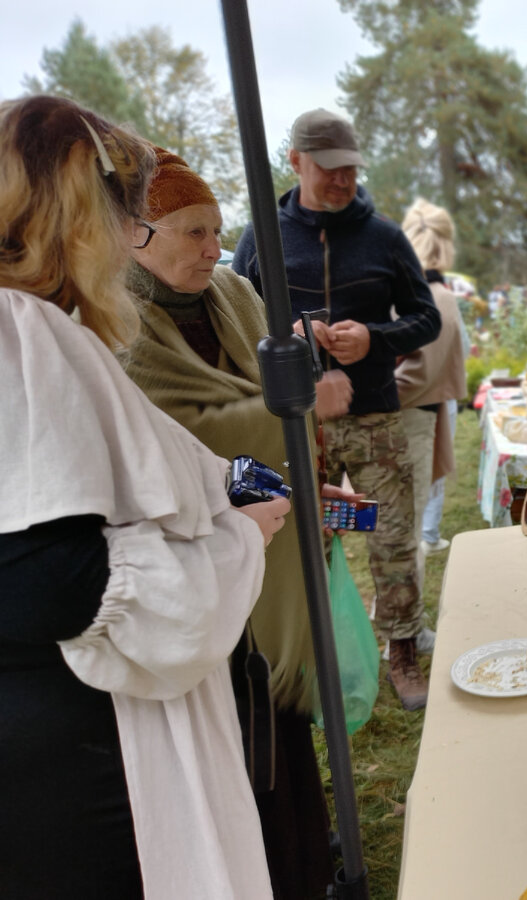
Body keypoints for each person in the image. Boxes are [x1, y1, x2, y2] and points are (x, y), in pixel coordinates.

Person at [0, 96, 288, 898]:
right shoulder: (19, 332)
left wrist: (239, 486)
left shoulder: (37, 328)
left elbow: (125, 474)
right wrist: (235, 541)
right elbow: (47, 581)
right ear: (76, 213)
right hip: (81, 761)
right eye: (121, 216)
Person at [122, 147, 349, 897]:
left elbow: (273, 397)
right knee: (233, 731)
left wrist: (311, 478)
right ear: (136, 235)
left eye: (216, 228)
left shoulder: (236, 295)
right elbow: (174, 435)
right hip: (193, 559)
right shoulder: (115, 325)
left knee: (283, 719)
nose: (214, 247)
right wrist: (288, 412)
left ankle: (307, 865)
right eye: (191, 231)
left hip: (272, 539)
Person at [232, 107, 440, 711]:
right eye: (328, 170)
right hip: (299, 427)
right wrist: (290, 336)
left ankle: (401, 652)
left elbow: (425, 317)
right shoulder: (264, 236)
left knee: (389, 535)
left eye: (350, 169)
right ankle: (315, 659)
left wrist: (376, 337)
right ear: (295, 162)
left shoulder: (384, 237)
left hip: (373, 417)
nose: (342, 181)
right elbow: (236, 320)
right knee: (309, 539)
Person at [397, 199, 468, 574]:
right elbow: (419, 375)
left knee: (402, 527)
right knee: (405, 531)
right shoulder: (436, 296)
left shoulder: (405, 286)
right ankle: (405, 628)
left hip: (403, 416)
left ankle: (401, 623)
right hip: (411, 422)